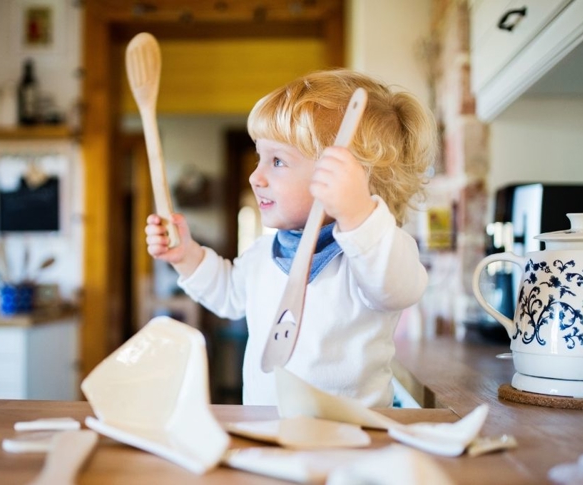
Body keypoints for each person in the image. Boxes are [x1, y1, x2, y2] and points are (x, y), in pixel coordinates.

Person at [145, 69, 437, 407]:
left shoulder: (373, 253)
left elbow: (397, 288)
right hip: (267, 433)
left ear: (347, 176)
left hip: (352, 442)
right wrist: (186, 256)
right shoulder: (263, 254)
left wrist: (358, 212)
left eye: (278, 161)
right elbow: (229, 293)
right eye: (260, 157)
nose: (256, 176)